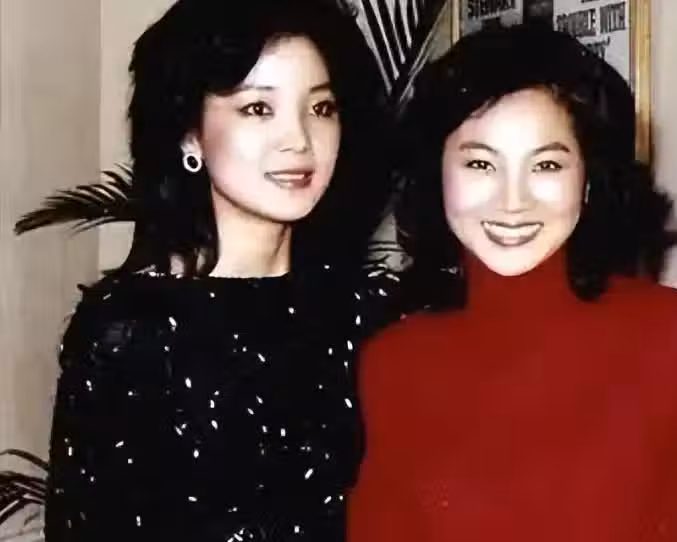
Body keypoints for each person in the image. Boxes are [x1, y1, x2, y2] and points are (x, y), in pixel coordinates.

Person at [348, 23, 677, 541]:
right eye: (481, 163)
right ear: (436, 175)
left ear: (588, 181)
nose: (513, 201)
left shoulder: (676, 338)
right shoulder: (392, 363)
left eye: (547, 164)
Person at [27, 0, 425, 540]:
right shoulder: (128, 329)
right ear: (189, 133)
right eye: (258, 108)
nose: (299, 140)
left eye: (321, 107)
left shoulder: (372, 312)